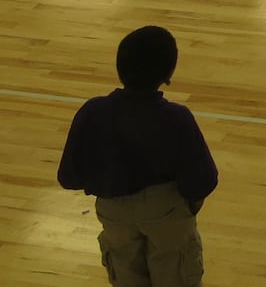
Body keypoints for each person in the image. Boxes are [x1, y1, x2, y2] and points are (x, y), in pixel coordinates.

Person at [59, 26, 219, 286]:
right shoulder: (177, 118)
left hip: (113, 213)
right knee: (176, 274)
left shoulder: (92, 111)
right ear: (168, 74)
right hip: (167, 212)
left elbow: (69, 176)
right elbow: (202, 181)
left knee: (125, 276)